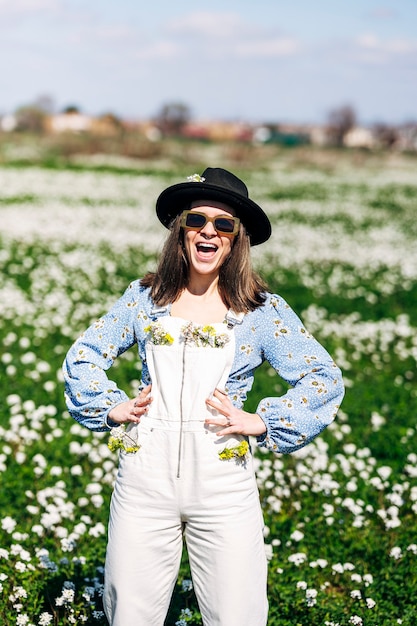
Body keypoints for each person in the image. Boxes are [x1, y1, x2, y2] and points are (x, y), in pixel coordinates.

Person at [63, 167, 344, 626]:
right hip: (143, 482)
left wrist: (265, 421)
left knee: (238, 615)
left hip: (222, 484)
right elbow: (85, 355)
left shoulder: (260, 309)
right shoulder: (144, 298)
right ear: (181, 230)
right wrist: (108, 407)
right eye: (197, 220)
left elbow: (323, 376)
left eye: (224, 224)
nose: (209, 231)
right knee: (129, 612)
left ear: (238, 239)